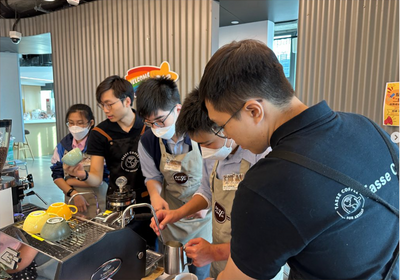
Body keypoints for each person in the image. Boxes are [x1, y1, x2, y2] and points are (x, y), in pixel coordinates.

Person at [198, 39, 399, 280]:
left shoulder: (267, 184)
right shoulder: (368, 127)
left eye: (222, 126)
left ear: (253, 111)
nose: (226, 135)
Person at [149, 88, 282, 279]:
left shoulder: (262, 157)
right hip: (221, 256)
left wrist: (215, 252)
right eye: (199, 145)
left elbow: (269, 242)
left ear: (223, 127)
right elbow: (206, 192)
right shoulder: (213, 153)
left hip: (253, 268)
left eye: (207, 144)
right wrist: (176, 214)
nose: (204, 151)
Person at [64, 76, 156, 248]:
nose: (105, 110)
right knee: (119, 249)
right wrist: (82, 175)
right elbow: (96, 179)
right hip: (117, 202)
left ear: (127, 101)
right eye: (102, 105)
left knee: (150, 251)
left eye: (110, 104)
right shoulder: (100, 133)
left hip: (149, 201)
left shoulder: (149, 126)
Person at [136, 77, 212, 280]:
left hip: (202, 220)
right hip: (171, 217)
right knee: (172, 271)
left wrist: (207, 201)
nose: (156, 127)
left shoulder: (199, 131)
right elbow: (152, 176)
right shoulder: (148, 140)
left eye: (160, 120)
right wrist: (155, 197)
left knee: (201, 272)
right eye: (149, 122)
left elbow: (214, 175)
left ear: (177, 109)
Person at [50, 104, 109, 218]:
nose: (75, 126)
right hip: (72, 199)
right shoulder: (63, 145)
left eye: (80, 123)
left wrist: (70, 181)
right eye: (71, 123)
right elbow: (57, 176)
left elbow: (103, 178)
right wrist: (74, 194)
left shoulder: (98, 144)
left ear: (91, 123)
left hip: (98, 200)